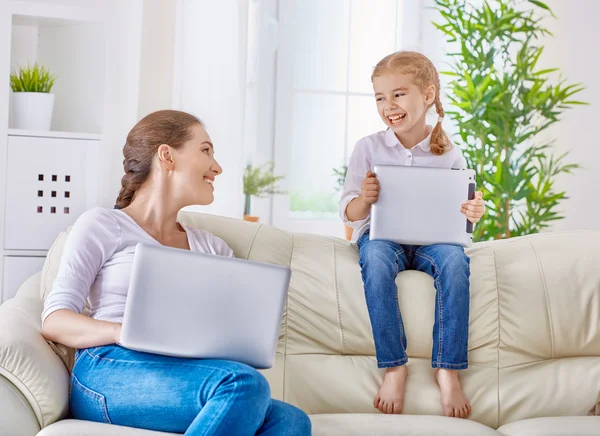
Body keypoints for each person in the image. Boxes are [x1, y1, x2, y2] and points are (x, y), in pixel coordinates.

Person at [42, 110, 311, 435]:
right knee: (242, 384)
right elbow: (54, 321)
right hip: (109, 369)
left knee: (291, 420)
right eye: (206, 150)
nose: (217, 167)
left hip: (185, 373)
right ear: (167, 156)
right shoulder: (104, 225)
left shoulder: (213, 249)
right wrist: (122, 330)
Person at [339, 51, 485, 418]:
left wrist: (473, 212)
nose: (389, 105)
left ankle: (447, 369)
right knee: (373, 257)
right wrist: (364, 199)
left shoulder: (450, 153)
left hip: (432, 241)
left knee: (454, 263)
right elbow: (348, 210)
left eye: (399, 94)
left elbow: (462, 215)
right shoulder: (368, 147)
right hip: (382, 237)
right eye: (380, 97)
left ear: (428, 95)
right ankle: (393, 365)